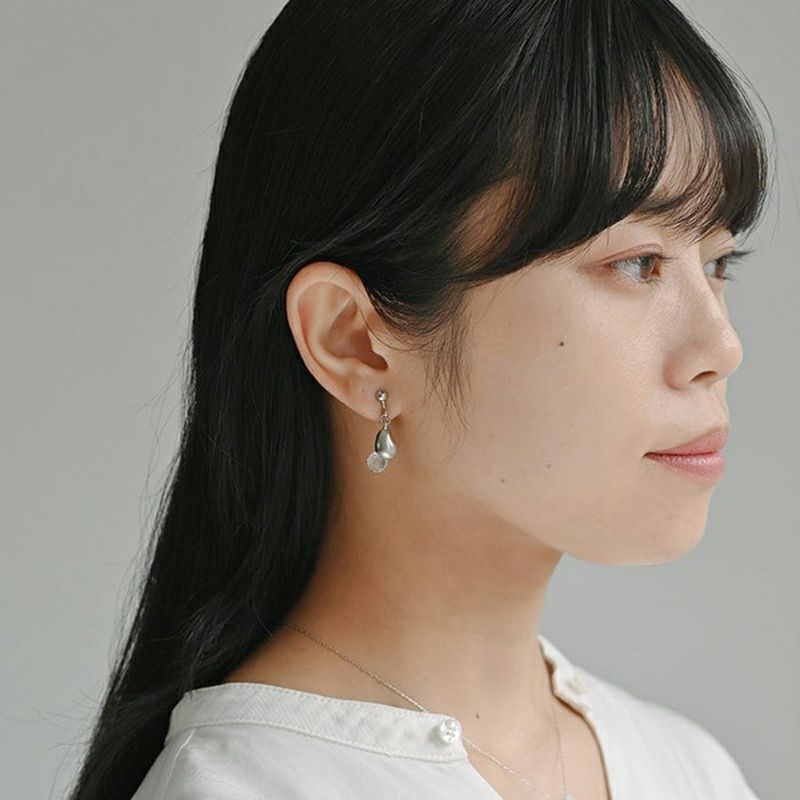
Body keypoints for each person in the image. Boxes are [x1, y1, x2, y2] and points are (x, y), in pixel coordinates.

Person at [67, 1, 770, 798]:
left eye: (719, 263)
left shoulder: (694, 772)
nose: (722, 347)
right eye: (638, 264)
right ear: (355, 342)